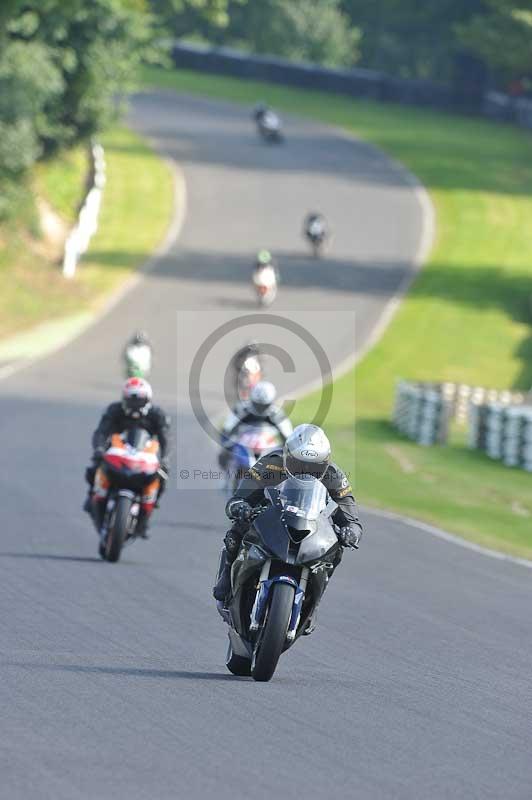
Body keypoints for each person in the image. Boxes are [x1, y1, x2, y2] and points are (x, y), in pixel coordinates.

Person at [213, 424, 362, 632]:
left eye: (314, 467)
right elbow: (241, 495)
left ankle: (313, 605)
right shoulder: (271, 464)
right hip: (274, 516)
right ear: (287, 455)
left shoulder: (334, 475)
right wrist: (241, 507)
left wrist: (351, 531)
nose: (306, 472)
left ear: (325, 462)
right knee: (237, 529)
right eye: (300, 465)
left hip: (312, 524)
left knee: (337, 549)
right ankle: (225, 582)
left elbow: (349, 510)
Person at [83, 377, 170, 538]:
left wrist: (165, 458)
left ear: (148, 400)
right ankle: (92, 497)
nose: (135, 405)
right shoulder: (114, 411)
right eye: (131, 400)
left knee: (163, 475)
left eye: (139, 401)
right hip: (116, 453)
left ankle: (147, 514)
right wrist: (99, 449)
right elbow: (101, 432)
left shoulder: (157, 415)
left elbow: (166, 438)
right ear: (124, 399)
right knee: (94, 467)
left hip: (144, 456)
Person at [218, 380, 293, 469]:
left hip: (266, 444)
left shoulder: (276, 414)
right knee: (225, 456)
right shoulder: (241, 409)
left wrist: (287, 452)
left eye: (264, 405)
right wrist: (227, 447)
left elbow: (289, 436)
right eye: (258, 404)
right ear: (252, 399)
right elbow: (227, 429)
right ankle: (230, 479)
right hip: (244, 443)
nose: (260, 409)